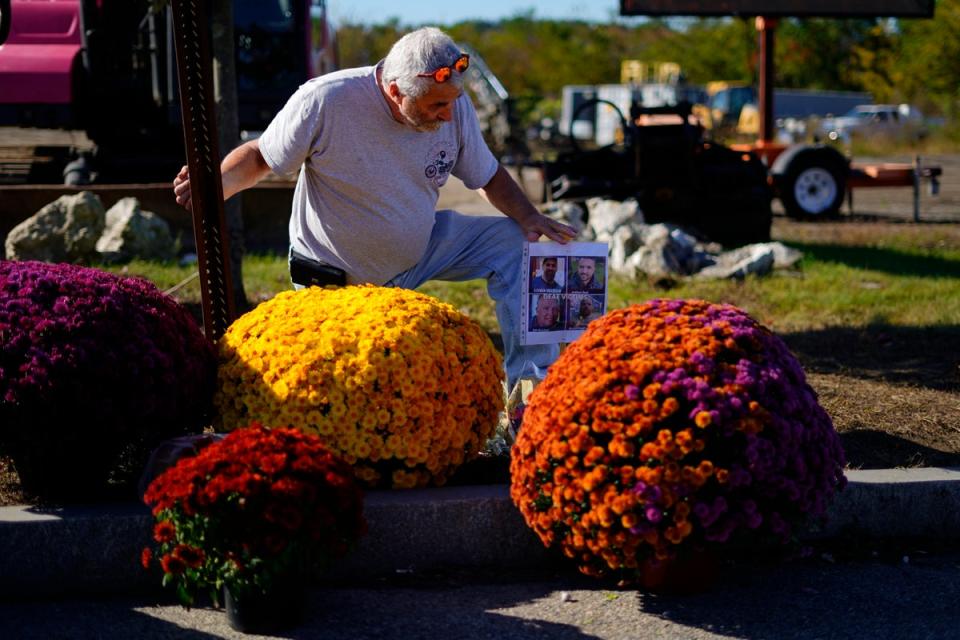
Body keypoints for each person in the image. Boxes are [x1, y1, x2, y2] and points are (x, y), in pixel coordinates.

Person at [173, 27, 575, 389]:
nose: (448, 114)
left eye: (452, 102)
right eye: (436, 105)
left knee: (520, 244)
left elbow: (486, 175)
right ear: (396, 91)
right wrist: (215, 186)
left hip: (420, 250)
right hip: (335, 275)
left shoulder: (454, 104)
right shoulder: (327, 99)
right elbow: (261, 157)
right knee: (362, 385)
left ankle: (530, 390)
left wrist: (529, 216)